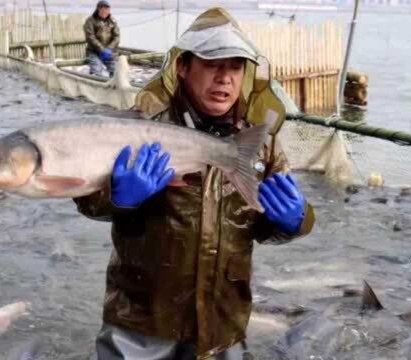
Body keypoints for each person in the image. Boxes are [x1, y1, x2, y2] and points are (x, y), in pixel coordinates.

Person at [74, 7, 316, 360]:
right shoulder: (140, 128)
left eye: (235, 67)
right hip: (142, 319)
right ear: (183, 68)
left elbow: (265, 226)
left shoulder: (260, 143)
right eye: (212, 64)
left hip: (223, 322)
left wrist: (296, 221)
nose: (225, 79)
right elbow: (88, 201)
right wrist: (117, 197)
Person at [83, 0, 120, 78]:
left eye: (107, 9)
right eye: (102, 9)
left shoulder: (112, 21)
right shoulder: (90, 20)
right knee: (97, 72)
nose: (105, 11)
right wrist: (102, 49)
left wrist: (109, 49)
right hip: (94, 51)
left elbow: (117, 37)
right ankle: (94, 84)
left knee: (117, 71)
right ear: (98, 9)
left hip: (109, 52)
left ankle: (113, 86)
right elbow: (90, 37)